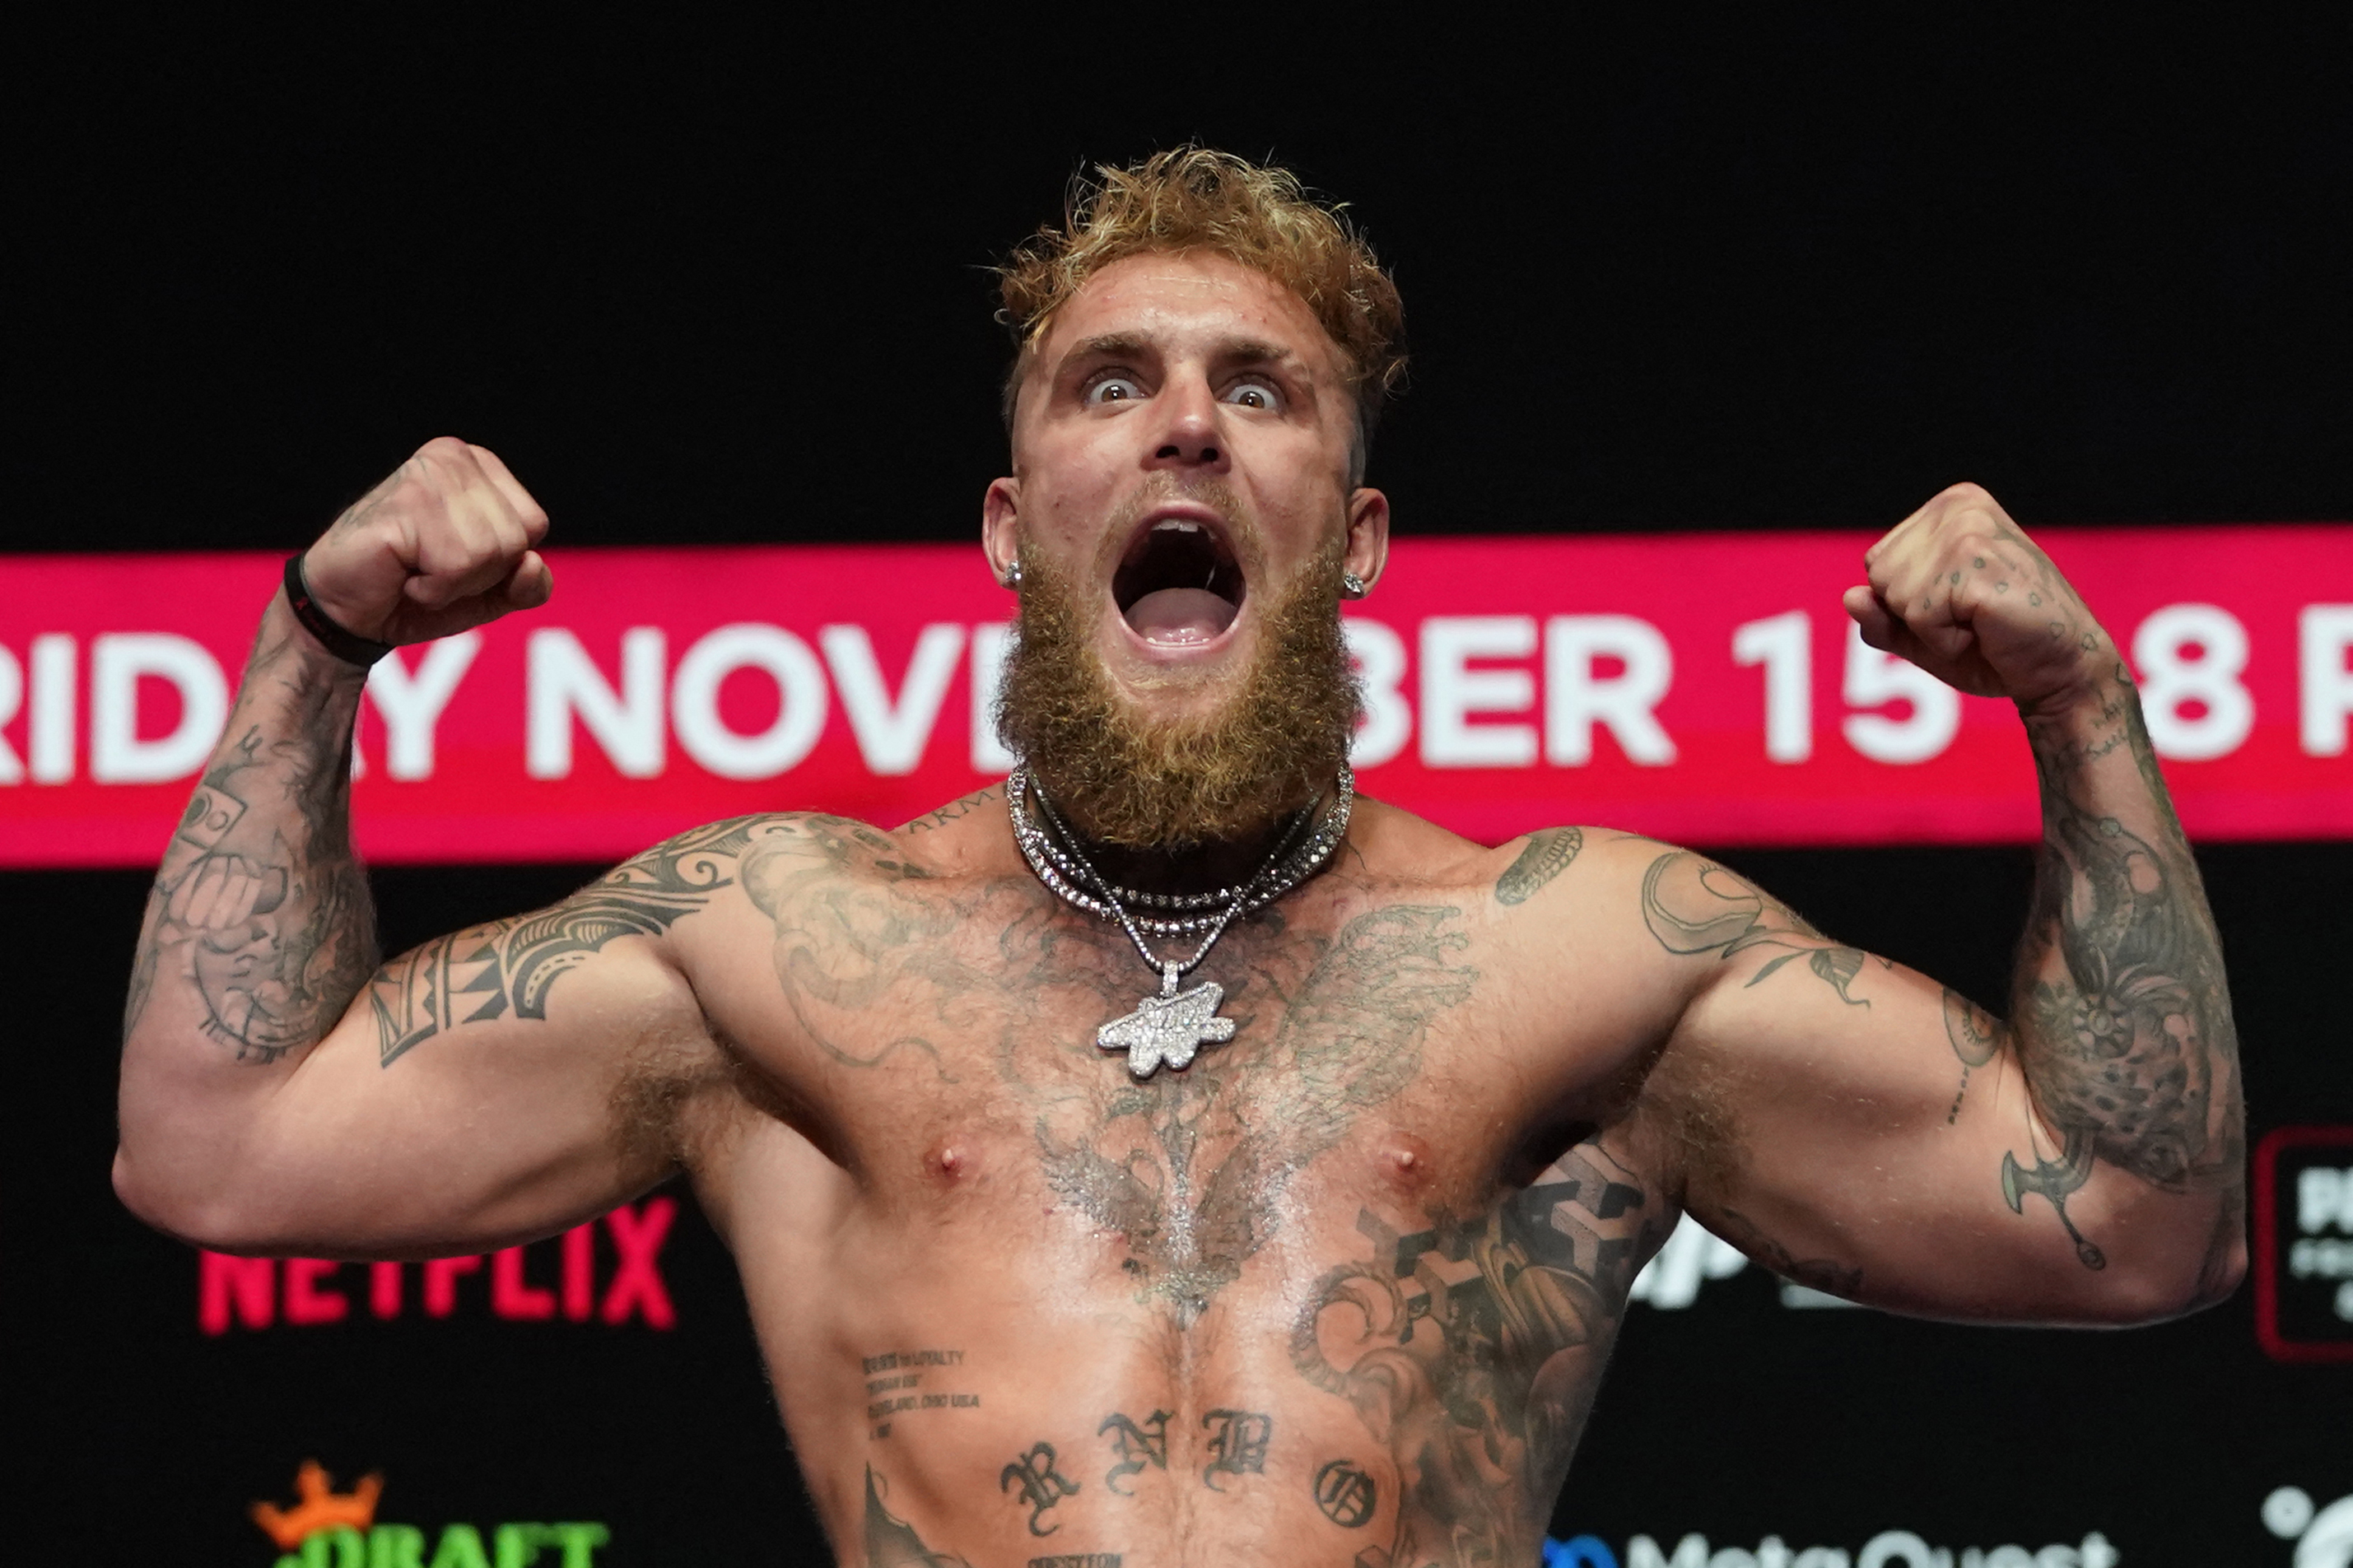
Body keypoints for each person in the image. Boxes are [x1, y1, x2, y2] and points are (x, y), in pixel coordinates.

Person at [114, 148, 2245, 1568]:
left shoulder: (1572, 957)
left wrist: (2081, 709)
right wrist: (315, 647)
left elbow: (2139, 1223)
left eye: (1265, 389)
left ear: (1361, 534)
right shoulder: (776, 947)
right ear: (1006, 522)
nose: (1187, 427)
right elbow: (216, 1146)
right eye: (1108, 381)